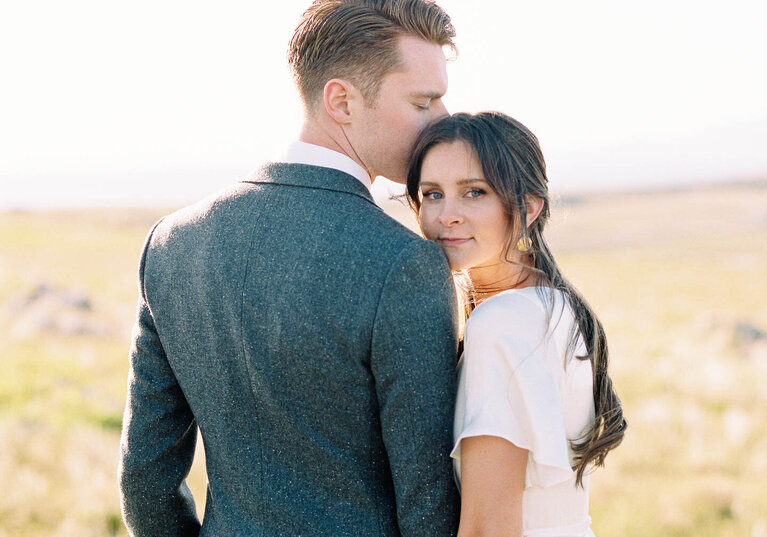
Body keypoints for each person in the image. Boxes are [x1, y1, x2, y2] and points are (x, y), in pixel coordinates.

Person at [118, 1, 461, 535]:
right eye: (425, 101)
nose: (444, 119)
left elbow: (145, 481)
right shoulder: (404, 262)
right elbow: (428, 502)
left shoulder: (171, 242)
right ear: (342, 100)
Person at [406, 112, 627, 537]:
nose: (446, 215)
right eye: (432, 194)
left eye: (474, 192)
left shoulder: (502, 323)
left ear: (527, 208)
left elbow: (489, 529)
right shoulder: (555, 305)